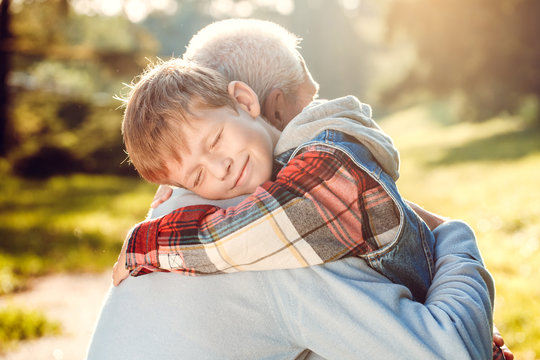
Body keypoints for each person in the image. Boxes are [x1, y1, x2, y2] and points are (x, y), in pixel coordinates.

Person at [87, 19, 510, 359]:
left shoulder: (181, 205)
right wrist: (457, 241)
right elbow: (450, 351)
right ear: (268, 106)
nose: (218, 166)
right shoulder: (273, 238)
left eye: (216, 142)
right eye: (310, 102)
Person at [115, 58, 436, 306]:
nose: (219, 167)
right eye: (197, 176)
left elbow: (233, 240)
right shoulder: (275, 171)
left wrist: (144, 243)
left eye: (215, 141)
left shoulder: (331, 160)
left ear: (244, 101)